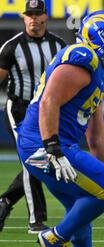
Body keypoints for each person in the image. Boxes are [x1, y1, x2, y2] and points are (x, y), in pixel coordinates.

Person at [16, 11, 104, 247]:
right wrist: (52, 147)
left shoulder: (98, 71)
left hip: (51, 142)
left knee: (81, 204)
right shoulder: (84, 57)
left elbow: (97, 134)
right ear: (96, 37)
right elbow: (49, 101)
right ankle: (56, 238)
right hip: (43, 143)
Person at [0, 0, 66, 233]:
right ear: (23, 17)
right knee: (31, 161)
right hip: (18, 110)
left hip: (45, 112)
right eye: (30, 14)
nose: (34, 18)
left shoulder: (59, 46)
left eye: (38, 14)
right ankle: (35, 220)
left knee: (40, 159)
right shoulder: (11, 47)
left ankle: (5, 201)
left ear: (46, 17)